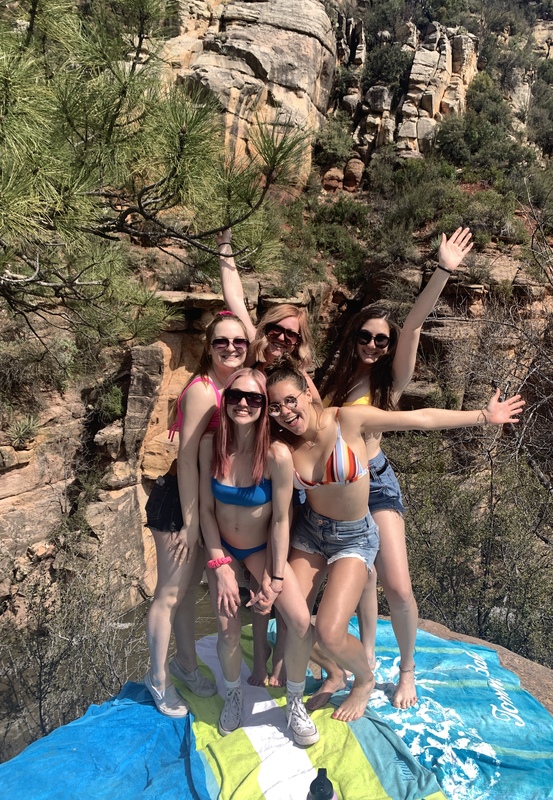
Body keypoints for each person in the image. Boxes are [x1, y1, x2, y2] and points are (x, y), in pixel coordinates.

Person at [266, 359, 524, 722]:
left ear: (308, 391)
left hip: (353, 538)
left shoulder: (347, 420)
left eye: (290, 400)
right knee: (292, 618)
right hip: (310, 533)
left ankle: (364, 680)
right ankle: (333, 673)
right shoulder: (283, 446)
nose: (285, 413)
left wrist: (483, 415)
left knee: (329, 630)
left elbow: (419, 419)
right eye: (275, 407)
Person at [318, 227, 473, 709]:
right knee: (354, 581)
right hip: (333, 488)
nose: (373, 345)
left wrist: (442, 270)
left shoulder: (391, 382)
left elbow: (413, 326)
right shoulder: (330, 378)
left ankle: (406, 669)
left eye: (380, 341)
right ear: (353, 336)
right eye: (365, 336)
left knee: (398, 588)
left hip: (377, 482)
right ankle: (357, 661)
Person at [216, 228, 320, 687]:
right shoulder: (251, 363)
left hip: (281, 486)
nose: (281, 337)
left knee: (276, 583)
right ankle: (259, 664)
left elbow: (315, 424)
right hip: (240, 481)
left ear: (299, 342)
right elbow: (233, 293)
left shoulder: (298, 377)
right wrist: (224, 246)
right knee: (259, 587)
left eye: (291, 335)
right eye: (276, 328)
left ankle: (279, 663)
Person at [198, 368, 318, 745]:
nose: (244, 404)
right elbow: (205, 510)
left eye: (254, 398)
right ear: (226, 401)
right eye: (236, 396)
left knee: (300, 622)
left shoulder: (276, 455)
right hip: (223, 551)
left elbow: (282, 518)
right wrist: (219, 567)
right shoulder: (211, 446)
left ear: (266, 406)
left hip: (260, 549)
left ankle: (294, 701)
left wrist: (276, 575)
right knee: (228, 630)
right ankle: (233, 694)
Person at [144, 311, 250, 716]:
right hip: (180, 501)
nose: (231, 348)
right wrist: (190, 524)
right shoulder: (204, 392)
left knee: (188, 593)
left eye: (238, 342)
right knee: (170, 593)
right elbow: (186, 461)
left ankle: (185, 664)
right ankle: (158, 680)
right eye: (221, 342)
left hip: (207, 501)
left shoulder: (233, 386)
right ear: (209, 347)